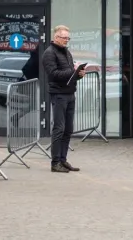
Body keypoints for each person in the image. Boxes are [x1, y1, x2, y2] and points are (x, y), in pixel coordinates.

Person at [42, 25, 85, 173]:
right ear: (56, 37)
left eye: (68, 38)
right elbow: (53, 74)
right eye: (64, 38)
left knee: (68, 129)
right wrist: (71, 71)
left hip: (69, 93)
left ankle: (63, 159)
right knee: (59, 128)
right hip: (59, 94)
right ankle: (55, 162)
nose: (67, 40)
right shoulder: (49, 53)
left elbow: (68, 75)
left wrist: (78, 74)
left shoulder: (66, 52)